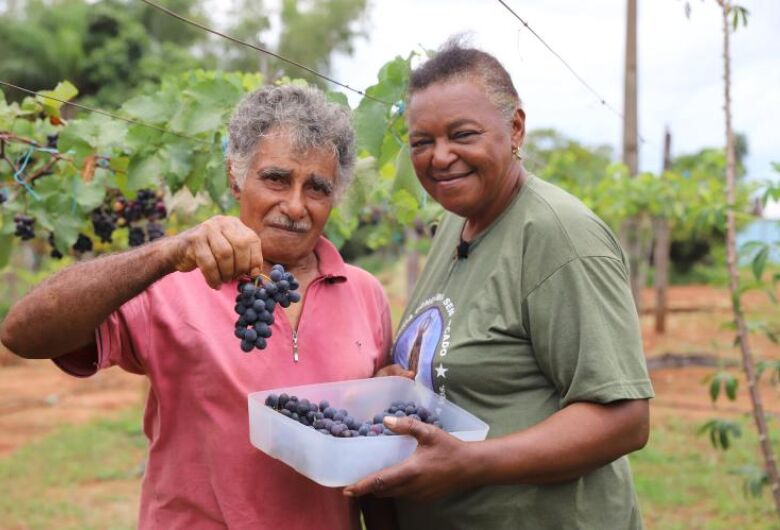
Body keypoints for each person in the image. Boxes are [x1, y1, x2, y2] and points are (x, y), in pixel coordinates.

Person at [0, 85, 393, 530]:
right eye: (276, 179)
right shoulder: (171, 280)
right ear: (234, 176)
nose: (295, 205)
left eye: (317, 187)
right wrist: (166, 253)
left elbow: (376, 453)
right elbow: (22, 333)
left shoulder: (366, 293)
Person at [344, 41, 655, 529]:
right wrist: (401, 382)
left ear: (515, 128)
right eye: (422, 142)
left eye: (462, 134)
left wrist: (469, 464)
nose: (439, 157)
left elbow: (623, 419)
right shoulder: (456, 225)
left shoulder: (558, 234)